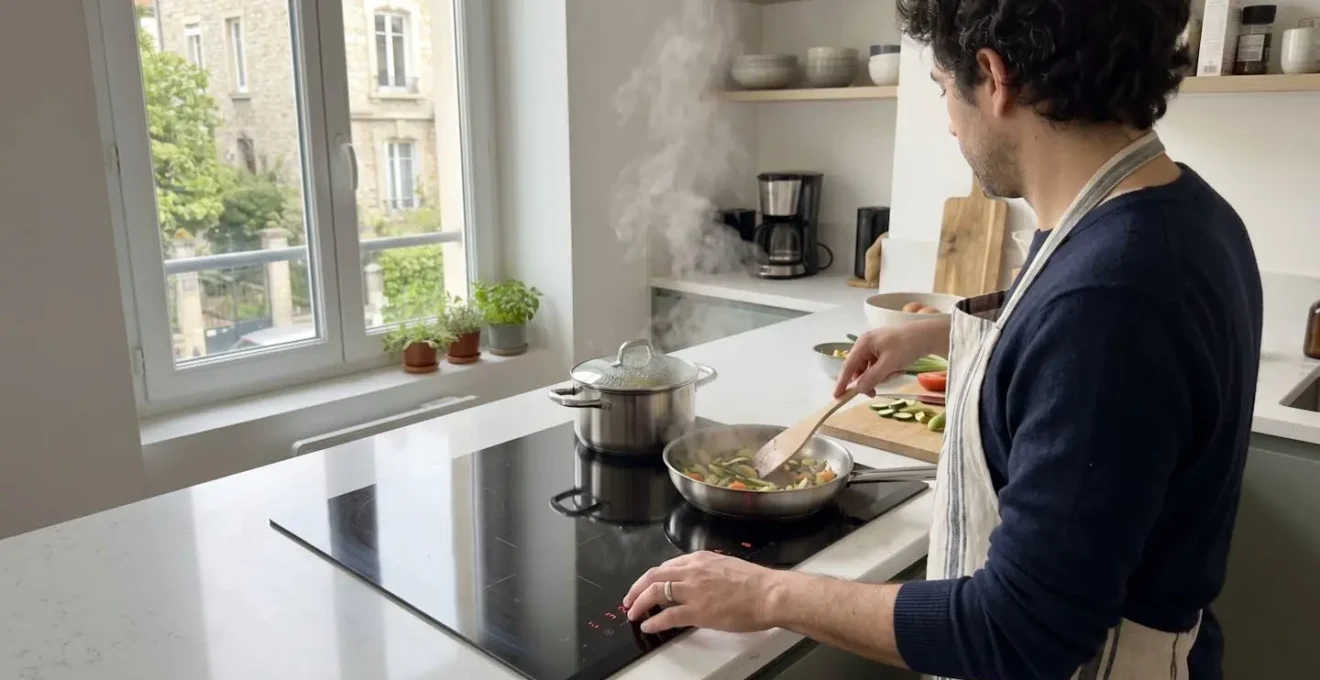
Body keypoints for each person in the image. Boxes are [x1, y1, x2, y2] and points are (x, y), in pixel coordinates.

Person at [625, 1, 1264, 678]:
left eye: (940, 88)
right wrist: (941, 334)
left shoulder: (1112, 298)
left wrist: (768, 592)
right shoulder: (1190, 215)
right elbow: (1069, 350)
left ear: (993, 76)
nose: (948, 122)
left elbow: (1019, 631)